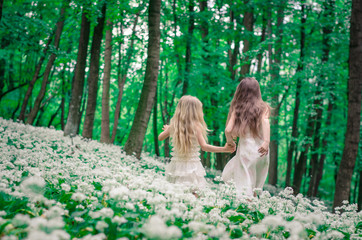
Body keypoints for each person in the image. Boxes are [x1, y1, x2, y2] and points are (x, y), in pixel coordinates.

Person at [158, 95, 235, 189]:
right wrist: (224, 149)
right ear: (196, 111)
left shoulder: (174, 126)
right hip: (192, 167)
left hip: (176, 166)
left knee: (176, 191)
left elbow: (160, 138)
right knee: (194, 192)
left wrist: (168, 130)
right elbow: (204, 146)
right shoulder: (197, 127)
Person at [222, 77, 271, 197]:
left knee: (242, 179)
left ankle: (243, 207)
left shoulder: (237, 109)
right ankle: (252, 205)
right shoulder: (263, 107)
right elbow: (265, 122)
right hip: (261, 150)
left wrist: (230, 142)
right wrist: (266, 142)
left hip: (246, 149)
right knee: (256, 182)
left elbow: (228, 130)